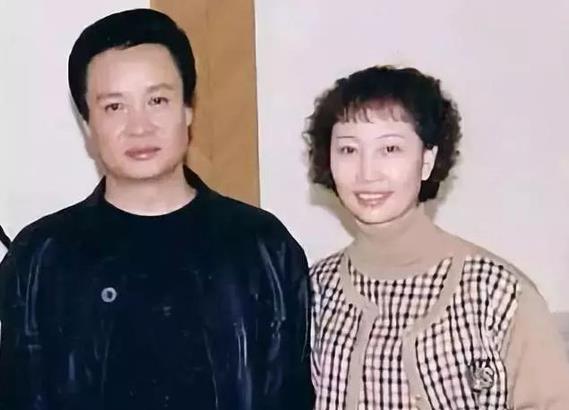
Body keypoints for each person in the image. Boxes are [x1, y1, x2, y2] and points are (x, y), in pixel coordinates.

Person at [0, 9, 313, 410]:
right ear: (88, 125)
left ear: (188, 109)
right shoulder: (41, 256)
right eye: (115, 107)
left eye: (157, 100)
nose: (140, 127)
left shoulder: (263, 248)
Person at [305, 65, 569, 410]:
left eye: (390, 149)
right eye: (348, 150)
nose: (367, 173)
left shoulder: (497, 292)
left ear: (427, 160)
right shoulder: (313, 292)